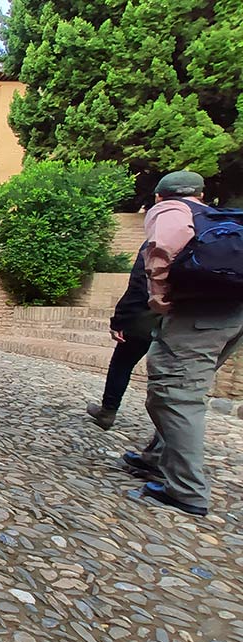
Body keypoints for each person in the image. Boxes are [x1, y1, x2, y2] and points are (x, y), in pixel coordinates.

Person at [124, 170, 243, 516]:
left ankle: (186, 490)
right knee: (183, 391)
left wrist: (159, 300)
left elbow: (162, 252)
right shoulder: (213, 214)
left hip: (197, 316)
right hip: (232, 316)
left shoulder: (169, 211)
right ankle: (156, 458)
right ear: (201, 194)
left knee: (175, 396)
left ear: (160, 196)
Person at [85, 245, 157, 430]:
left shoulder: (160, 236)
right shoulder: (204, 231)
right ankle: (168, 437)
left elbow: (140, 286)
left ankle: (108, 411)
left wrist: (120, 320)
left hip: (149, 317)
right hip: (191, 322)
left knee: (122, 364)